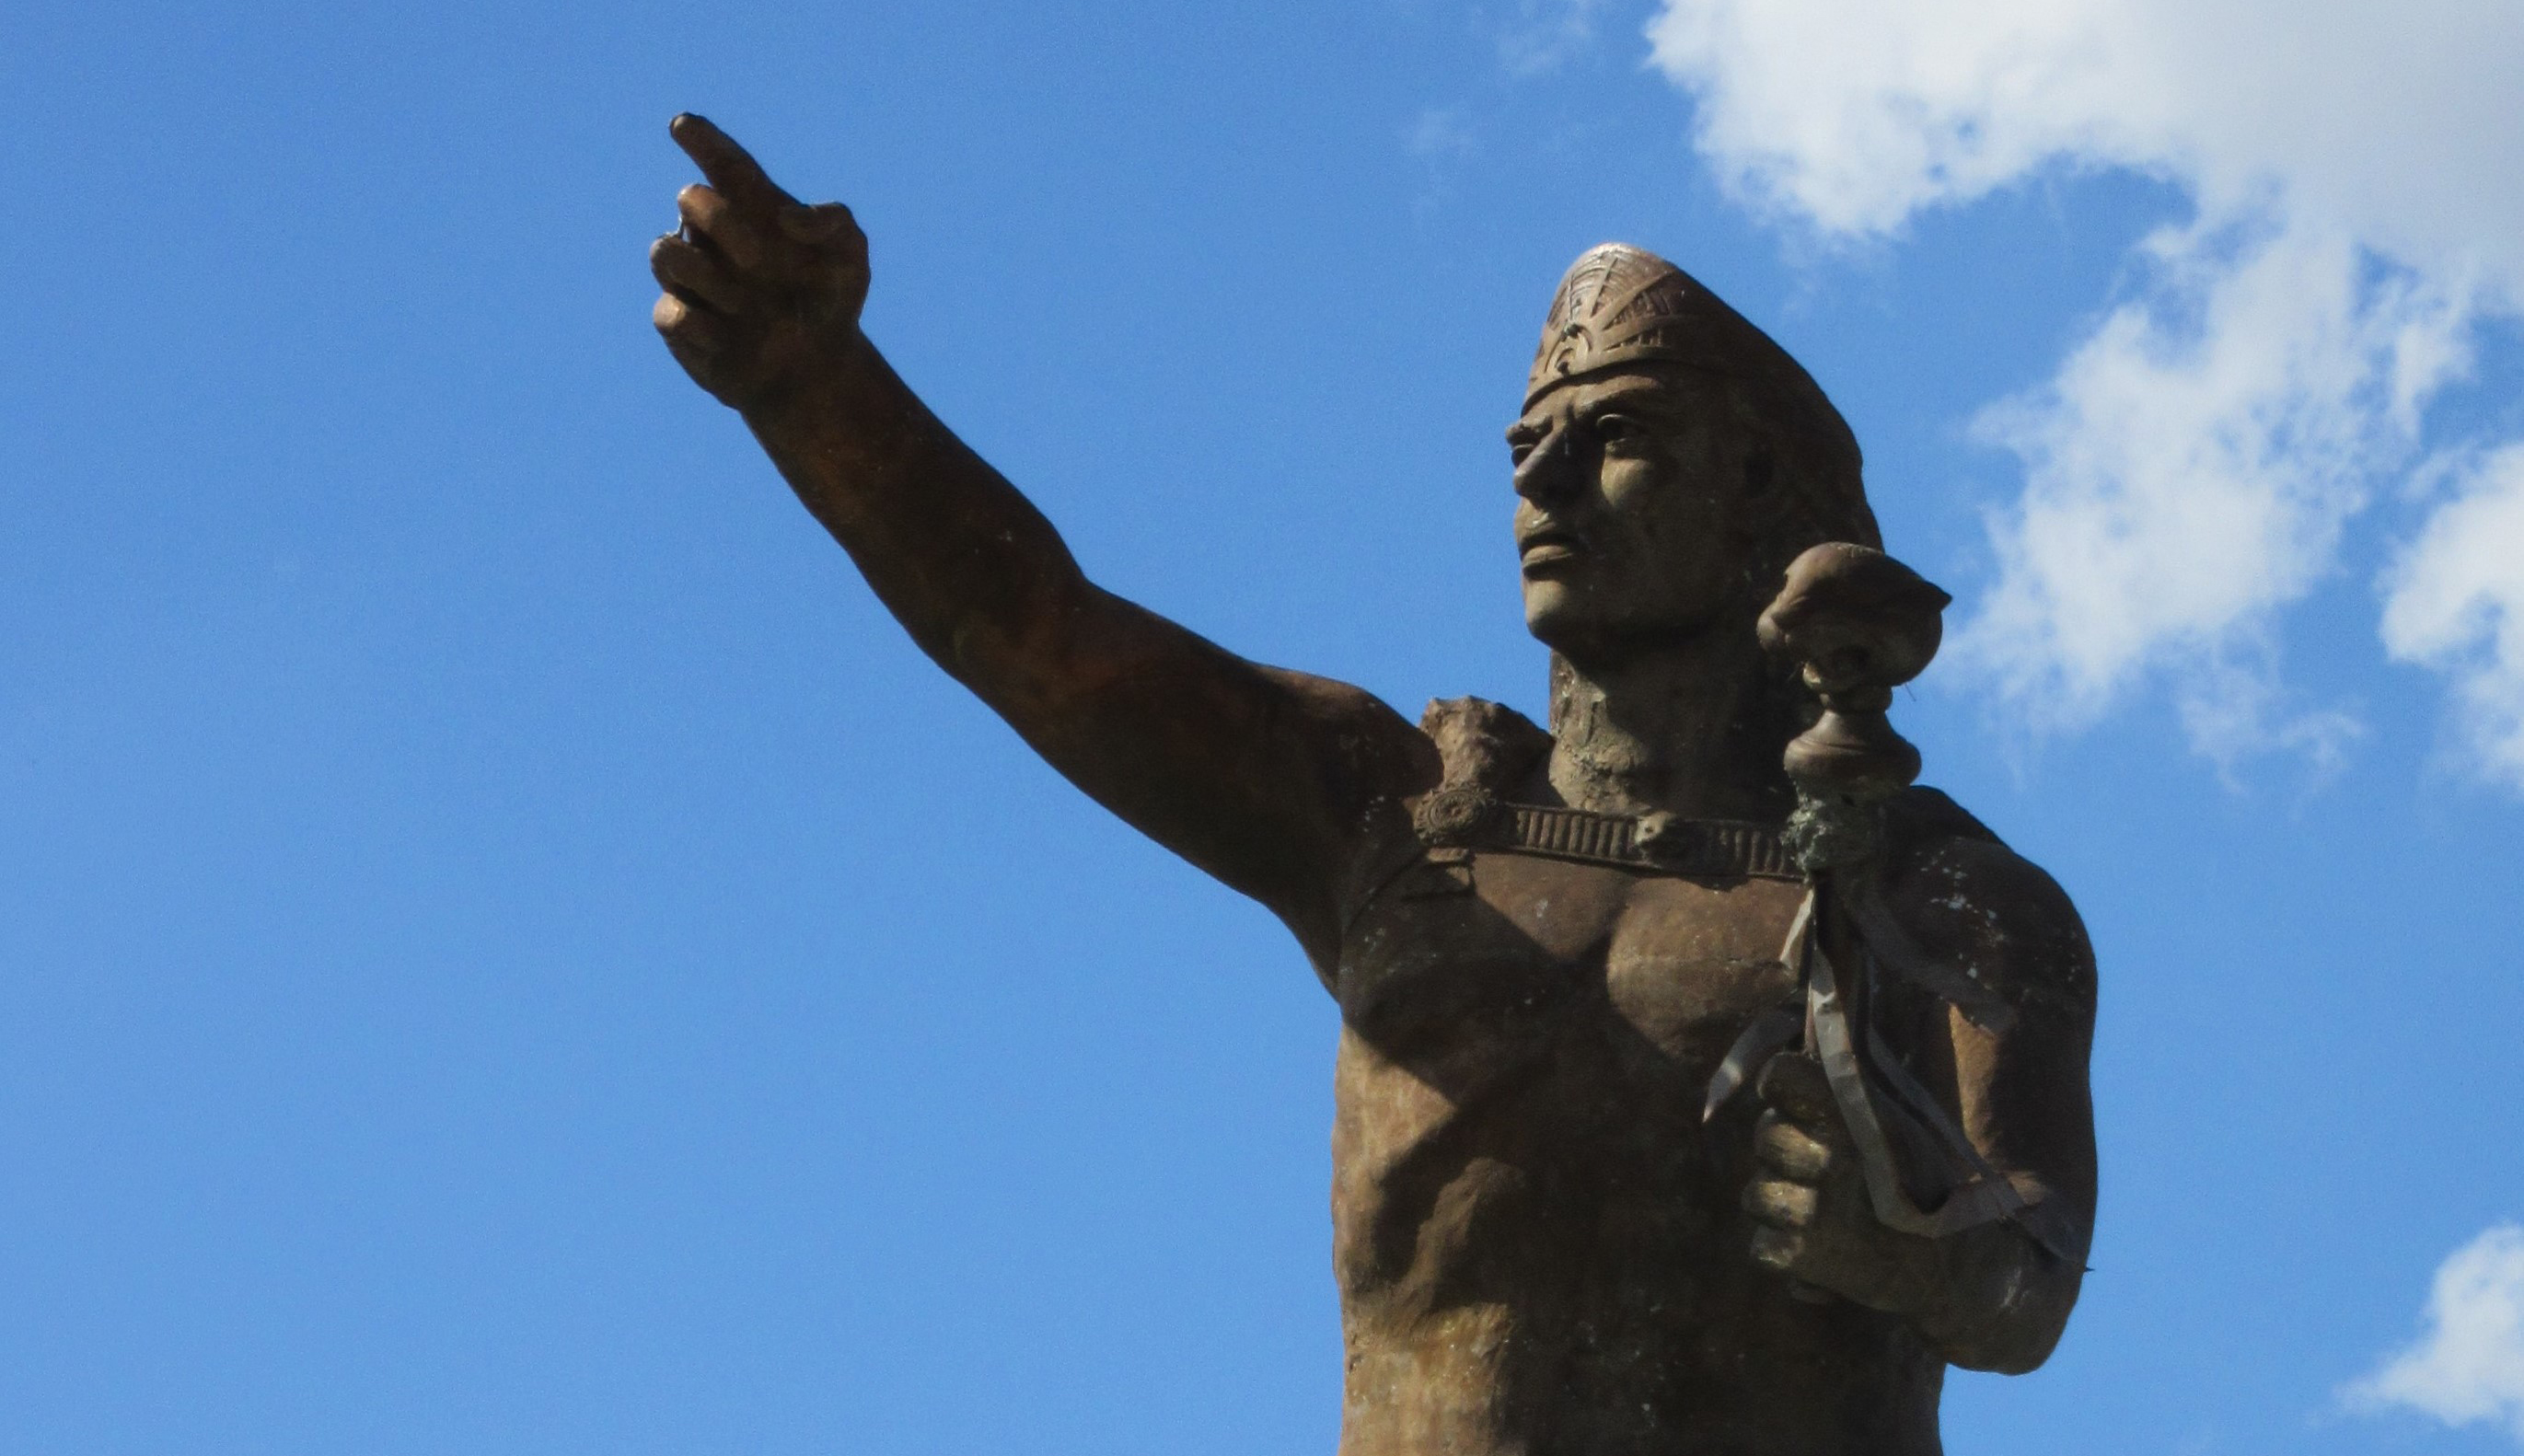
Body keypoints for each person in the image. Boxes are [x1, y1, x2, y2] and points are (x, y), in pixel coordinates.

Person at [648, 112, 2096, 1456]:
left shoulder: (1931, 895)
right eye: (1527, 449)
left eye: (1617, 441)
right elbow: (1034, 637)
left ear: (1765, 491)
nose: (1542, 487)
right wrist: (812, 386)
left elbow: (2030, 1273)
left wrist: (1924, 1241)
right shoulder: (1392, 815)